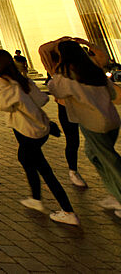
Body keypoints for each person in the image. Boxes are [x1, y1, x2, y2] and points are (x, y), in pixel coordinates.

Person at [0, 49, 78, 225]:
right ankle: (36, 198)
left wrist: (4, 93)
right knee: (26, 160)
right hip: (40, 127)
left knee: (44, 169)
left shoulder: (2, 82)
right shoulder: (22, 79)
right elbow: (42, 99)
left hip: (26, 130)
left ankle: (68, 211)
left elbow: (3, 105)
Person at [44, 37, 121, 215]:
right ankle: (115, 193)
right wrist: (87, 44)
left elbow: (56, 91)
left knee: (110, 161)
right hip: (111, 120)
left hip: (93, 123)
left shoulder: (65, 75)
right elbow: (112, 93)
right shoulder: (93, 69)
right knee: (94, 154)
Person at [38, 39, 88, 188]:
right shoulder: (56, 69)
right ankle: (73, 171)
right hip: (67, 108)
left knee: (93, 141)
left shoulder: (85, 66)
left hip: (87, 108)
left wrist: (85, 42)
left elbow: (100, 56)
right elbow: (43, 49)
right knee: (73, 140)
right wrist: (61, 40)